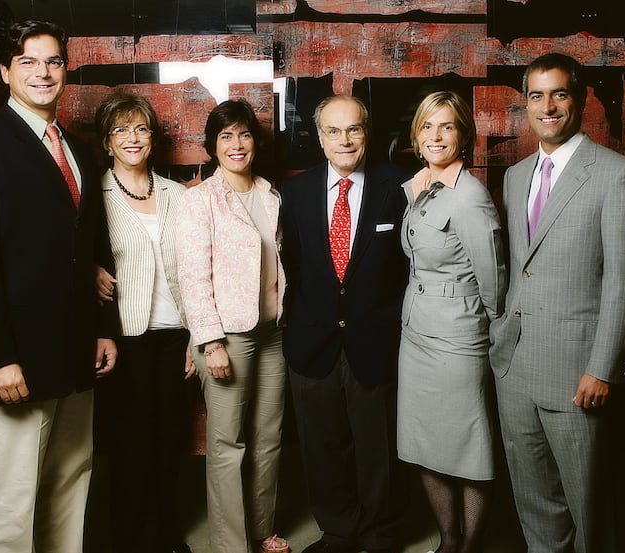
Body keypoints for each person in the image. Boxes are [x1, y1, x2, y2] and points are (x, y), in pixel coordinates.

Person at [0, 18, 118, 553]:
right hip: (14, 358)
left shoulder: (78, 150)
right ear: (4, 71)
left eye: (54, 61)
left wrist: (103, 329)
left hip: (74, 352)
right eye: (29, 61)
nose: (43, 72)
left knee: (70, 482)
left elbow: (90, 252)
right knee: (10, 501)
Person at [489, 53, 625, 553]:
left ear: (580, 100)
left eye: (560, 93)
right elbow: (520, 269)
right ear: (526, 105)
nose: (548, 105)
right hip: (516, 367)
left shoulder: (617, 174)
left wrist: (603, 368)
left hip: (578, 372)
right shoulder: (516, 176)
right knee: (534, 501)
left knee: (590, 507)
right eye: (537, 95)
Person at [280, 95, 408, 553]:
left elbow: (407, 268)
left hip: (374, 339)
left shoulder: (398, 186)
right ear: (319, 138)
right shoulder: (295, 192)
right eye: (333, 131)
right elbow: (292, 265)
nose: (344, 140)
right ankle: (337, 531)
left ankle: (378, 534)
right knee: (322, 445)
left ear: (367, 133)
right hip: (313, 340)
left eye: (353, 129)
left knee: (377, 447)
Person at [176, 99, 289, 553]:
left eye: (243, 134)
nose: (236, 144)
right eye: (226, 136)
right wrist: (209, 342)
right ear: (212, 146)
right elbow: (192, 275)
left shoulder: (269, 193)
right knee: (227, 444)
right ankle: (229, 544)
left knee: (269, 438)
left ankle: (262, 531)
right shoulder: (199, 199)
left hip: (274, 333)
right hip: (228, 337)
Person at [396, 91, 505, 553]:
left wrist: (495, 344)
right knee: (424, 444)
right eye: (427, 127)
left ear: (464, 135)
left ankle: (469, 545)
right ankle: (449, 539)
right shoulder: (420, 187)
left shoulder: (471, 198)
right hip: (416, 332)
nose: (435, 136)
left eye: (447, 127)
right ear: (416, 136)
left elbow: (494, 285)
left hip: (459, 337)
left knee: (466, 447)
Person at [93, 91, 195, 553]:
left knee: (171, 442)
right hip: (126, 340)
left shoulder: (177, 194)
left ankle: (170, 537)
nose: (132, 138)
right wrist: (86, 271)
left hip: (176, 336)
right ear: (107, 142)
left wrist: (197, 336)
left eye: (140, 129)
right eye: (121, 130)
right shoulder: (95, 197)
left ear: (152, 137)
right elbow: (72, 256)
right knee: (131, 448)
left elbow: (195, 267)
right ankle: (132, 540)